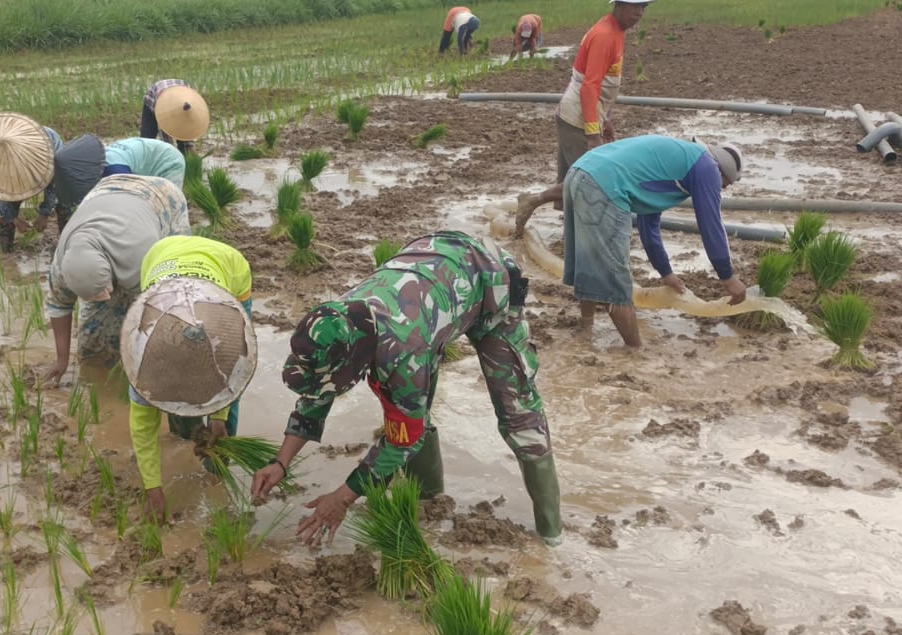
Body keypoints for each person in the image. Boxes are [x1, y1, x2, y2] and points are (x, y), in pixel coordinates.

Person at [249, 231, 562, 547]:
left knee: (517, 412)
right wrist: (280, 463)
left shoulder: (403, 351)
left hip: (490, 282)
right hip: (431, 279)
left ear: (358, 361)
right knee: (414, 411)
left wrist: (342, 498)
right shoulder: (335, 320)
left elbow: (402, 440)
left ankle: (552, 533)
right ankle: (429, 499)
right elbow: (318, 393)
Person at [561, 135, 747, 348]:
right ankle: (636, 353)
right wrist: (727, 276)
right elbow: (710, 223)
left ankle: (586, 330)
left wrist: (666, 273)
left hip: (579, 173)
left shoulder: (680, 163)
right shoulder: (707, 168)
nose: (723, 188)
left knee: (591, 264)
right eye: (726, 183)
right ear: (722, 170)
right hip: (602, 184)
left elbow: (648, 226)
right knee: (616, 281)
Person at [125, 236, 257, 522]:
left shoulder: (226, 336)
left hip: (228, 266)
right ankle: (186, 431)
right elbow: (143, 430)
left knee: (225, 394)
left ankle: (217, 465)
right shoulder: (142, 362)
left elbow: (231, 375)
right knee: (178, 404)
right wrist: (153, 489)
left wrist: (220, 416)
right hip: (160, 255)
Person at [510, 0, 653, 233]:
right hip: (577, 118)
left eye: (643, 7)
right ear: (617, 5)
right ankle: (534, 201)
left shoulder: (616, 31)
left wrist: (605, 120)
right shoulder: (605, 35)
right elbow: (590, 86)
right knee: (588, 181)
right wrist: (593, 133)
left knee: (574, 180)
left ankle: (570, 230)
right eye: (634, 6)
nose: (639, 13)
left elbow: (603, 84)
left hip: (581, 114)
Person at [44, 175, 191, 387]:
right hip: (103, 194)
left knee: (154, 308)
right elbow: (58, 306)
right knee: (93, 342)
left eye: (104, 291)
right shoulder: (61, 268)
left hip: (160, 198)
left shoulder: (143, 259)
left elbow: (163, 310)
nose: (104, 298)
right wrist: (61, 360)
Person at [46, 135, 187, 213]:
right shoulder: (95, 163)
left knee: (166, 207)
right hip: (144, 157)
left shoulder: (115, 171)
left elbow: (130, 202)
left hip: (166, 160)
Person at [0, 125, 67, 254]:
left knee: (64, 200)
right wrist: (14, 218)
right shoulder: (1, 158)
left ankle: (68, 245)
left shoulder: (49, 147)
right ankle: (4, 253)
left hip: (53, 159)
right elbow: (0, 191)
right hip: (15, 165)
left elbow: (54, 184)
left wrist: (45, 213)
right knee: (9, 202)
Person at [140, 80, 210, 155]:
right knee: (147, 139)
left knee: (184, 140)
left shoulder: (193, 106)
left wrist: (191, 151)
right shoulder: (165, 113)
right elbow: (165, 139)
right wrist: (171, 155)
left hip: (179, 89)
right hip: (155, 96)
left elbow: (190, 134)